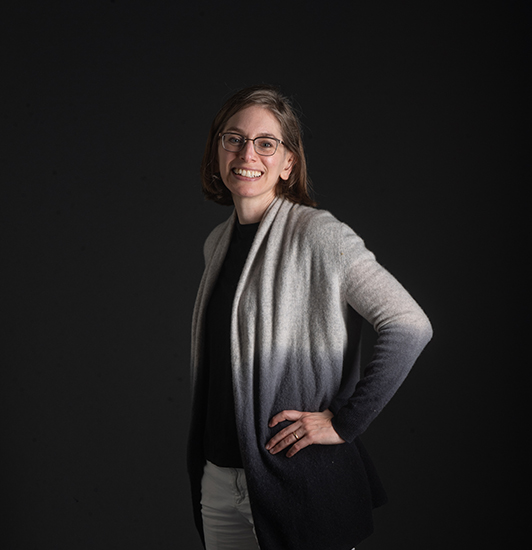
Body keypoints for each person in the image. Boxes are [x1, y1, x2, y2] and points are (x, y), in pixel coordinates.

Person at [187, 84, 433, 550]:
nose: (247, 153)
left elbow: (409, 324)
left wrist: (342, 422)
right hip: (219, 482)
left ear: (288, 163)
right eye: (233, 138)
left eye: (266, 143)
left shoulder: (319, 234)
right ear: (217, 152)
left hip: (299, 484)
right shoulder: (217, 243)